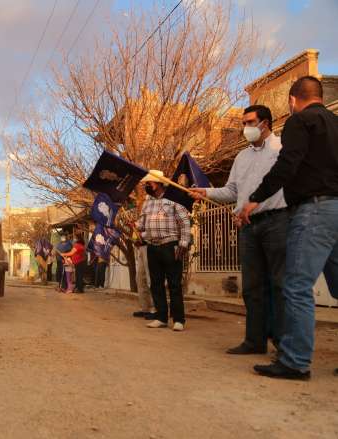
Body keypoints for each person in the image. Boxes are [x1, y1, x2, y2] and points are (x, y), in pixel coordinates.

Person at [239, 76, 338, 380]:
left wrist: (255, 198)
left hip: (314, 210)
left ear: (293, 100)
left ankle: (295, 361)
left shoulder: (300, 121)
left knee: (295, 285)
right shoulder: (335, 122)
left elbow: (286, 165)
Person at [190, 105, 287, 355]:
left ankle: (284, 343)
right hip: (247, 227)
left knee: (279, 284)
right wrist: (206, 192)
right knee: (252, 286)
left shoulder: (282, 150)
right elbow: (232, 192)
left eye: (249, 122)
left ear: (265, 123)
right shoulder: (241, 157)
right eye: (243, 123)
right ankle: (254, 341)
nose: (245, 128)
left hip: (278, 221)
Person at [137, 171, 191, 331]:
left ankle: (178, 320)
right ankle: (161, 317)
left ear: (159, 184)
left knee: (174, 284)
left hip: (171, 246)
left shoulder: (174, 198)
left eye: (150, 183)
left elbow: (185, 222)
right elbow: (142, 224)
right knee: (156, 284)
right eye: (146, 183)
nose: (147, 186)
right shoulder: (147, 202)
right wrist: (139, 229)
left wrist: (183, 244)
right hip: (152, 247)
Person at [132, 244, 156, 320]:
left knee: (150, 278)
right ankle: (144, 308)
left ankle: (154, 309)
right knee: (140, 278)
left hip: (150, 245)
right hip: (141, 246)